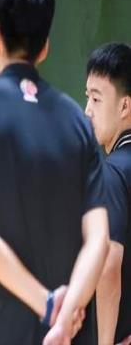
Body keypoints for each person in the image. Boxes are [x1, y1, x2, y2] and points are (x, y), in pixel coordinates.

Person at [0, 0, 109, 345]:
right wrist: (66, 319)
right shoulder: (77, 120)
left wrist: (49, 306)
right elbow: (99, 239)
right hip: (72, 334)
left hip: (6, 332)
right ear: (45, 46)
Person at [85, 43, 131, 345]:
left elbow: (109, 263)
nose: (87, 110)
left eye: (96, 98)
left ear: (124, 106)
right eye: (87, 97)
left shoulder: (112, 173)